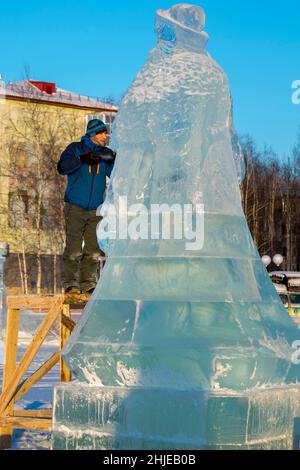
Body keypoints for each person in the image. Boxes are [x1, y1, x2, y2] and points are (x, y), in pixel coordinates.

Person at [57, 119, 116, 294]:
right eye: (102, 133)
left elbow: (116, 175)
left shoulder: (105, 155)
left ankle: (88, 284)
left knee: (93, 250)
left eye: (106, 133)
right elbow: (62, 167)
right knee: (74, 249)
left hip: (96, 209)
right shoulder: (75, 148)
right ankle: (71, 284)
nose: (106, 136)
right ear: (93, 134)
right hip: (75, 206)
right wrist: (81, 159)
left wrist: (119, 159)